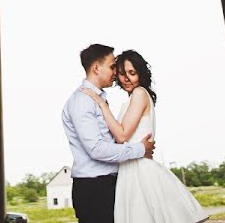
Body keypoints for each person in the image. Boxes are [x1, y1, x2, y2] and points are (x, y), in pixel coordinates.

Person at [80, 49, 210, 223]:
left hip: (140, 171)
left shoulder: (140, 93)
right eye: (121, 74)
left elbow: (122, 135)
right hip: (131, 168)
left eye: (132, 73)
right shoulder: (132, 98)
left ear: (140, 73)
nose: (126, 79)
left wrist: (101, 104)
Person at [62, 44, 156, 223]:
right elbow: (96, 149)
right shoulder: (82, 101)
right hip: (94, 187)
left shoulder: (98, 99)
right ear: (96, 68)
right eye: (113, 67)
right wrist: (139, 150)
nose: (116, 73)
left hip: (107, 184)